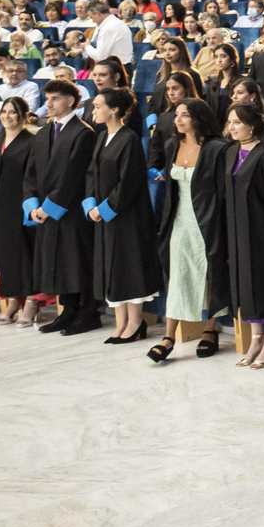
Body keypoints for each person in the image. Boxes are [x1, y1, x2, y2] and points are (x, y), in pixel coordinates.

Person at [152, 97, 229, 361]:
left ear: (198, 118)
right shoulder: (171, 144)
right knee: (178, 274)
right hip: (178, 220)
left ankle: (210, 330)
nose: (178, 120)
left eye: (184, 115)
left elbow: (223, 192)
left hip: (208, 219)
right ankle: (169, 336)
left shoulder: (218, 148)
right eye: (176, 115)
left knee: (209, 273)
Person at [83, 87, 161, 347]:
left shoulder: (128, 139)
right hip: (106, 216)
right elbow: (92, 173)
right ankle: (121, 324)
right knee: (113, 268)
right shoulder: (102, 135)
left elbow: (128, 183)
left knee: (129, 267)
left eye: (97, 106)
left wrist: (104, 209)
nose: (93, 110)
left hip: (127, 216)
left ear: (113, 109)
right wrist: (91, 205)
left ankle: (135, 323)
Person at [24, 79, 97, 333]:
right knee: (57, 263)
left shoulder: (83, 133)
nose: (49, 103)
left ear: (70, 101)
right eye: (48, 99)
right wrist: (32, 205)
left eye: (55, 98)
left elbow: (75, 176)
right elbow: (30, 173)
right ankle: (68, 311)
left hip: (70, 211)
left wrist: (49, 207)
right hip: (45, 211)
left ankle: (88, 313)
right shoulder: (43, 132)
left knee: (77, 262)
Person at [220, 103, 264, 368]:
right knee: (246, 283)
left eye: (237, 122)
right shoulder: (231, 152)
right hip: (237, 230)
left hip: (261, 232)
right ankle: (255, 338)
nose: (232, 127)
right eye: (230, 122)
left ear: (253, 125)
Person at [0, 96, 46, 325]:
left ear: (24, 116)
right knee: (5, 258)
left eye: (13, 112)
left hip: (21, 208)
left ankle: (33, 302)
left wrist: (32, 207)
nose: (7, 116)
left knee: (25, 256)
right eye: (4, 111)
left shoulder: (32, 141)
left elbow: (34, 177)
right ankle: (14, 300)